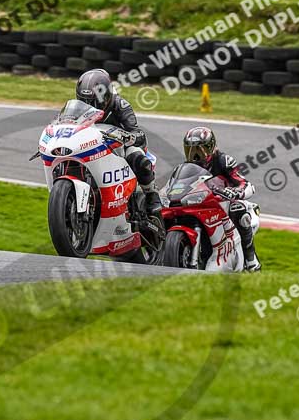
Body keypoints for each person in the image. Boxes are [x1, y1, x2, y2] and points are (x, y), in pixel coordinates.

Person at [75, 69, 164, 230]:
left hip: (120, 149)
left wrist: (131, 137)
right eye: (84, 102)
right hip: (93, 147)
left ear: (107, 96)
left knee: (136, 156)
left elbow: (137, 132)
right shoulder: (77, 109)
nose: (89, 107)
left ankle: (152, 195)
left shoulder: (120, 105)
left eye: (94, 102)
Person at [182, 126, 261, 272]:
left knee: (238, 209)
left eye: (200, 149)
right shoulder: (186, 166)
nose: (195, 155)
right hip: (202, 205)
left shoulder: (223, 160)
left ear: (210, 147)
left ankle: (251, 260)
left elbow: (245, 183)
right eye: (191, 150)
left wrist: (235, 192)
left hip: (224, 203)